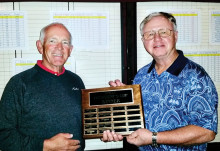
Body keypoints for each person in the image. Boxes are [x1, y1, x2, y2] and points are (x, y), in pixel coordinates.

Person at [102, 12, 218, 150]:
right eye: (149, 34)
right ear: (143, 41)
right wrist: (121, 108)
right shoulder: (141, 75)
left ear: (175, 35)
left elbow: (206, 132)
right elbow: (137, 124)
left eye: (163, 32)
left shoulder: (196, 76)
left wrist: (154, 138)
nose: (157, 38)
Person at [0, 23, 85, 151]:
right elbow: (3, 136)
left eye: (65, 42)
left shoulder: (76, 81)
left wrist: (108, 131)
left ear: (70, 49)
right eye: (52, 41)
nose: (59, 47)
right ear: (40, 46)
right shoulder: (19, 83)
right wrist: (45, 146)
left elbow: (87, 123)